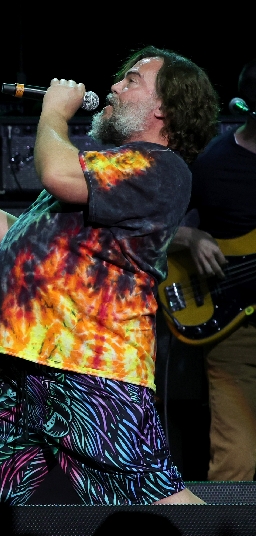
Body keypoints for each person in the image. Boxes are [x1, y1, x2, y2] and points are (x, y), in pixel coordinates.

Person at [0, 46, 219, 535]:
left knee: (157, 504)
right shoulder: (101, 166)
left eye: (132, 80)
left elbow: (54, 171)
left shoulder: (161, 168)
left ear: (165, 109)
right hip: (15, 362)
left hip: (92, 368)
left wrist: (53, 112)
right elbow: (27, 246)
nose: (114, 87)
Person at [171, 60, 256, 481]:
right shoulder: (213, 163)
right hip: (234, 332)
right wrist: (190, 238)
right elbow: (148, 223)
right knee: (236, 461)